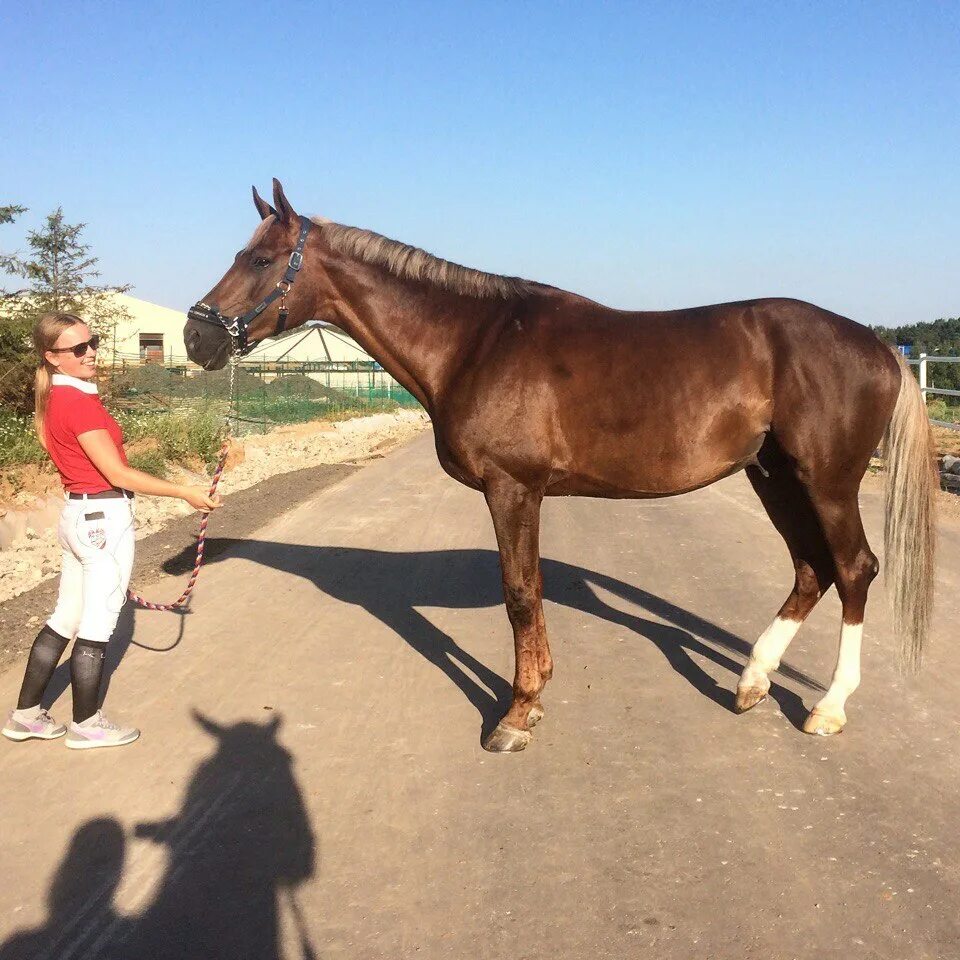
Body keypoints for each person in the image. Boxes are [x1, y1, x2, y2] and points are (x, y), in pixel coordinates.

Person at [2, 313, 221, 750]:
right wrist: (184, 491)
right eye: (77, 349)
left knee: (65, 617)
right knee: (98, 623)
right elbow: (117, 472)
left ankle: (26, 715)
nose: (91, 353)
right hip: (104, 520)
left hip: (78, 518)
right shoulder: (79, 404)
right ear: (53, 357)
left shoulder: (54, 400)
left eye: (92, 342)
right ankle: (87, 725)